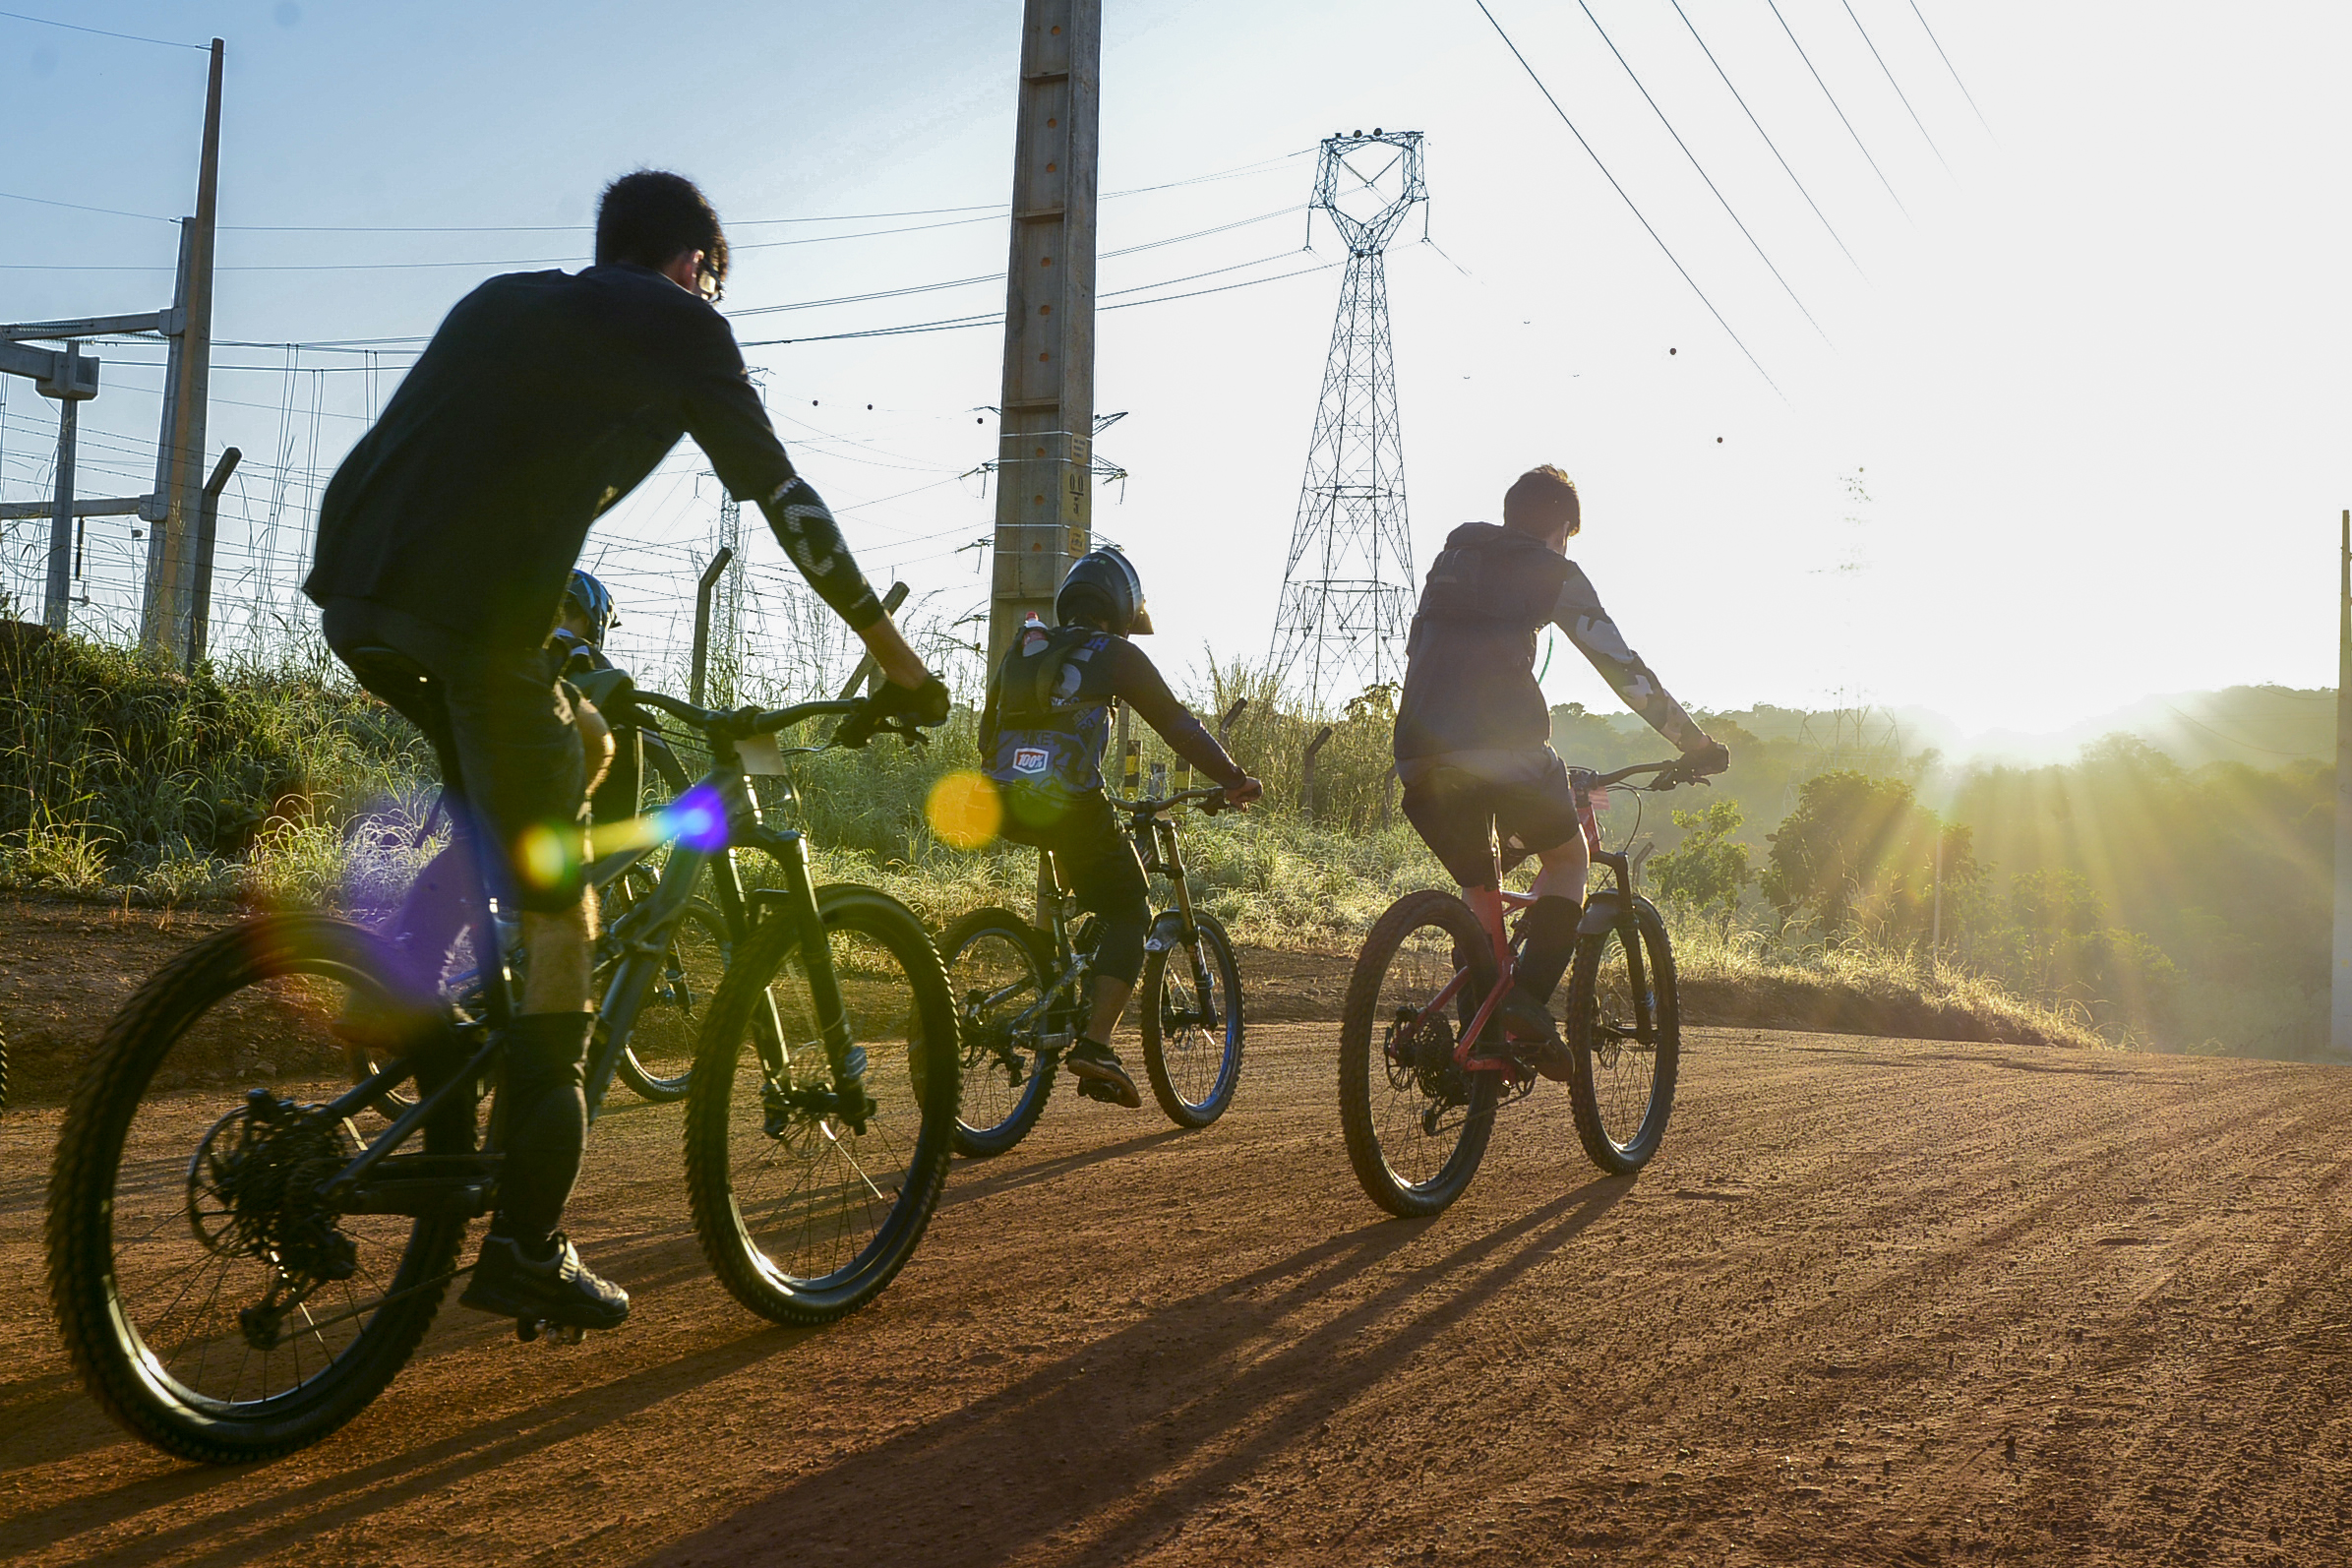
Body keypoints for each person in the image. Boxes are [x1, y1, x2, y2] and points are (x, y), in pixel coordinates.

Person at [304, 170, 948, 1333]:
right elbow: (784, 498)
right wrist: (896, 658)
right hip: (482, 622)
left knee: (585, 740)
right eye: (716, 278)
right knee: (562, 924)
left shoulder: (508, 299)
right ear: (696, 264)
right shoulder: (681, 319)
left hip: (358, 591)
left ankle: (421, 972)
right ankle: (528, 1239)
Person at [1393, 464, 1728, 1075]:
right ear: (1563, 530)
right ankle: (1524, 1002)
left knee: (1482, 884)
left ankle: (1478, 1038)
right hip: (1505, 748)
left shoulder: (1455, 556)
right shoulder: (1556, 573)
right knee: (1569, 859)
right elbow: (1623, 669)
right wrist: (1694, 743)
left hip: (1418, 751)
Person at [978, 546, 1263, 1108]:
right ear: (1122, 609)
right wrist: (1233, 777)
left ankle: (1053, 988)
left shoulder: (1027, 647)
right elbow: (1178, 725)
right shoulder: (1114, 653)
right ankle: (1097, 1045)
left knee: (1079, 888)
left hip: (1002, 796)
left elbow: (988, 732)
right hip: (1067, 802)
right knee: (1129, 906)